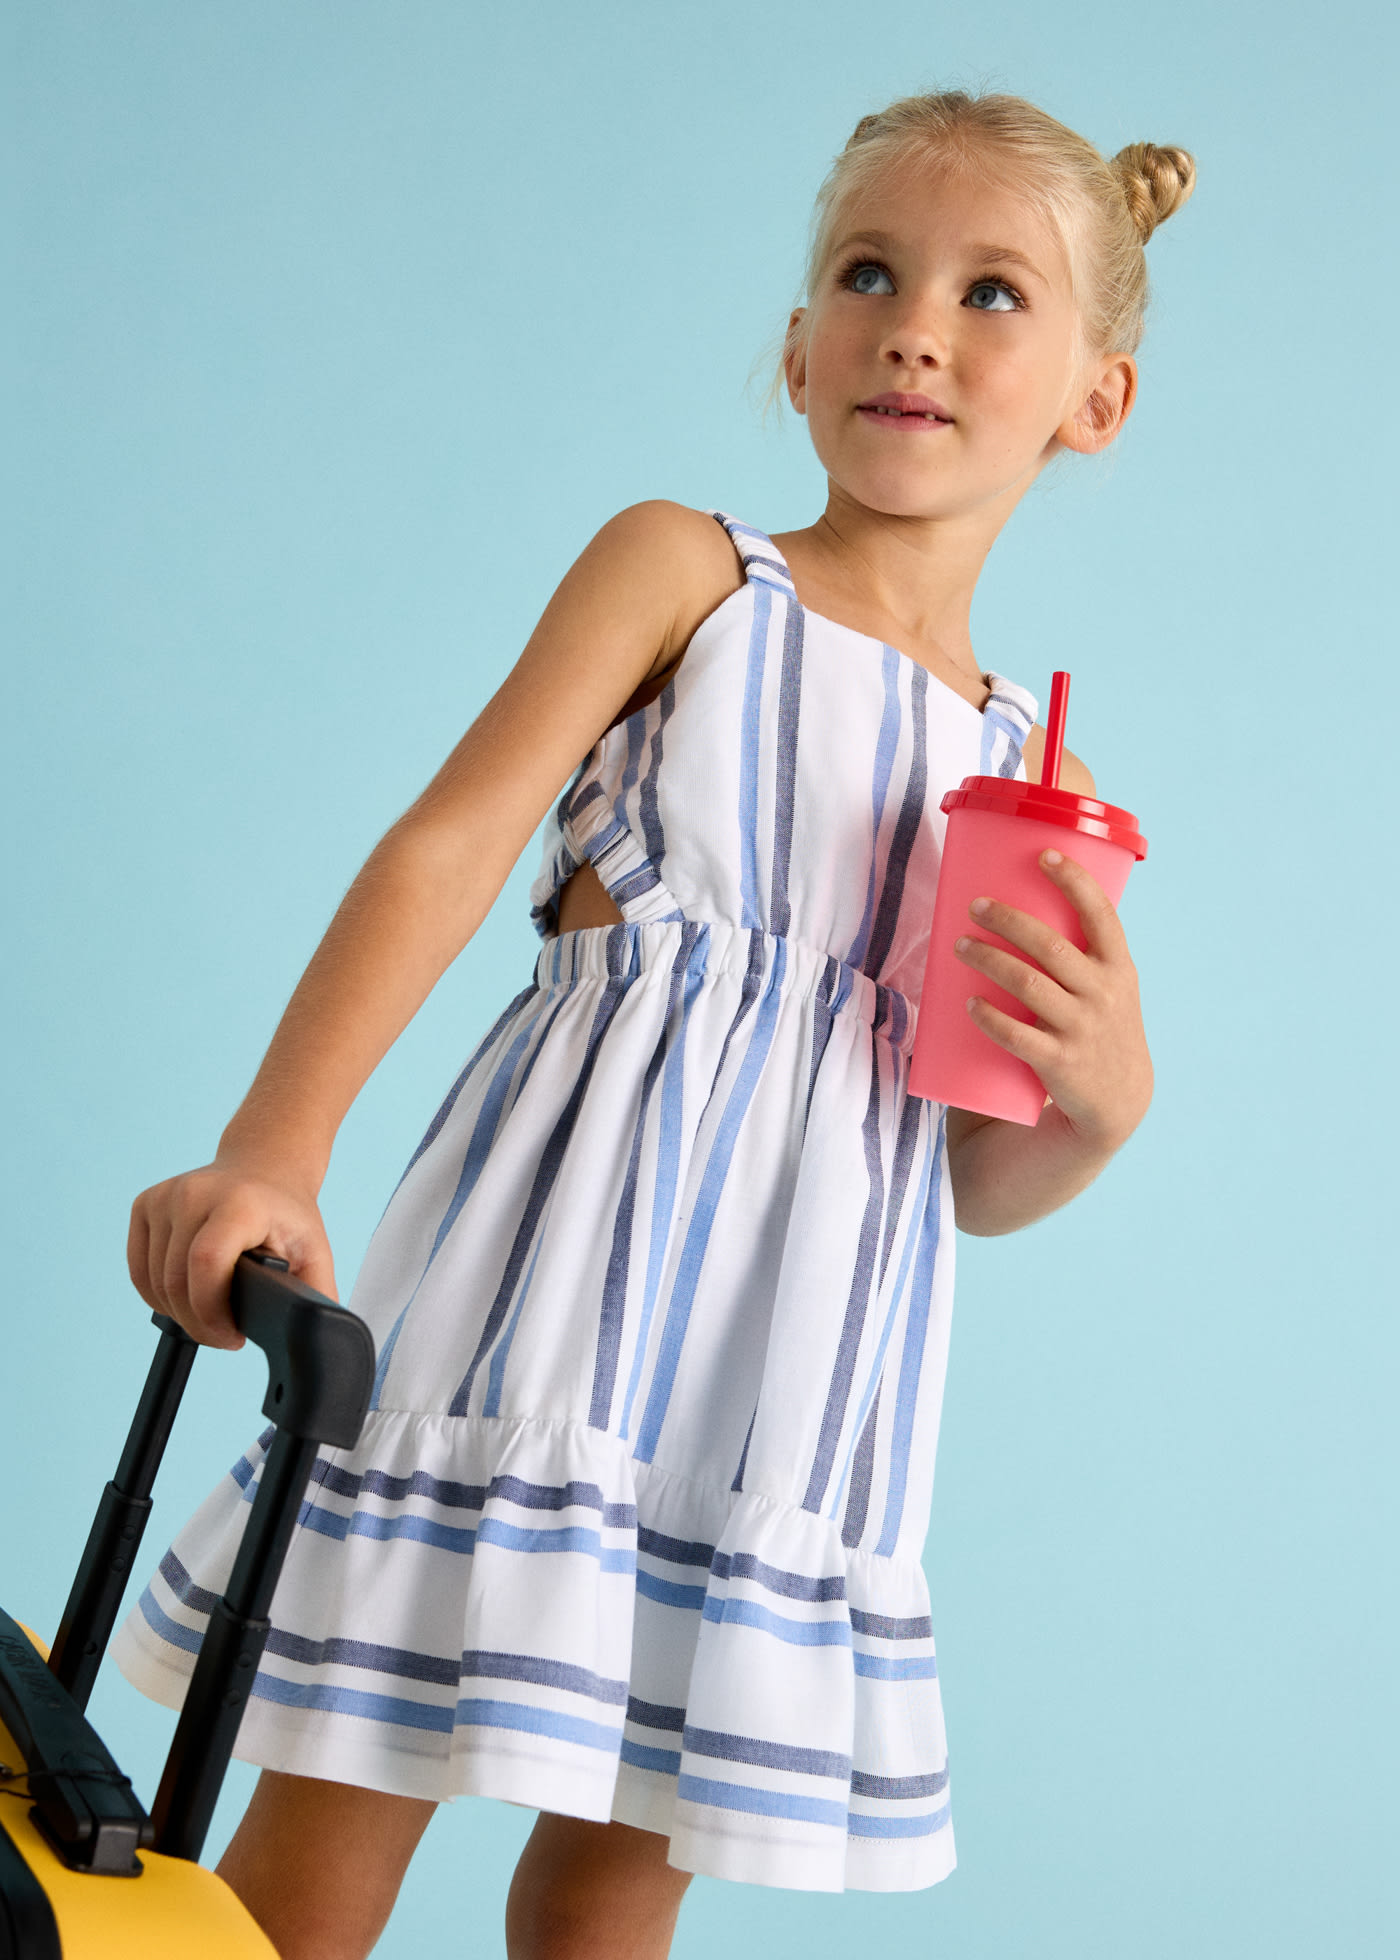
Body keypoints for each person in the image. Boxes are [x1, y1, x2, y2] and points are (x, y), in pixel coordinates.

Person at [115, 86, 1192, 1960]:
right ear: (797, 352)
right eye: (869, 272)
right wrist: (277, 1142)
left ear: (1096, 396)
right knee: (337, 1816)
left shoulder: (1040, 777)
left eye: (994, 293)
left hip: (792, 1393)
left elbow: (967, 1174)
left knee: (622, 1887)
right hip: (538, 1306)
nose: (915, 324)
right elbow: (448, 847)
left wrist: (1103, 1102)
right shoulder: (695, 578)